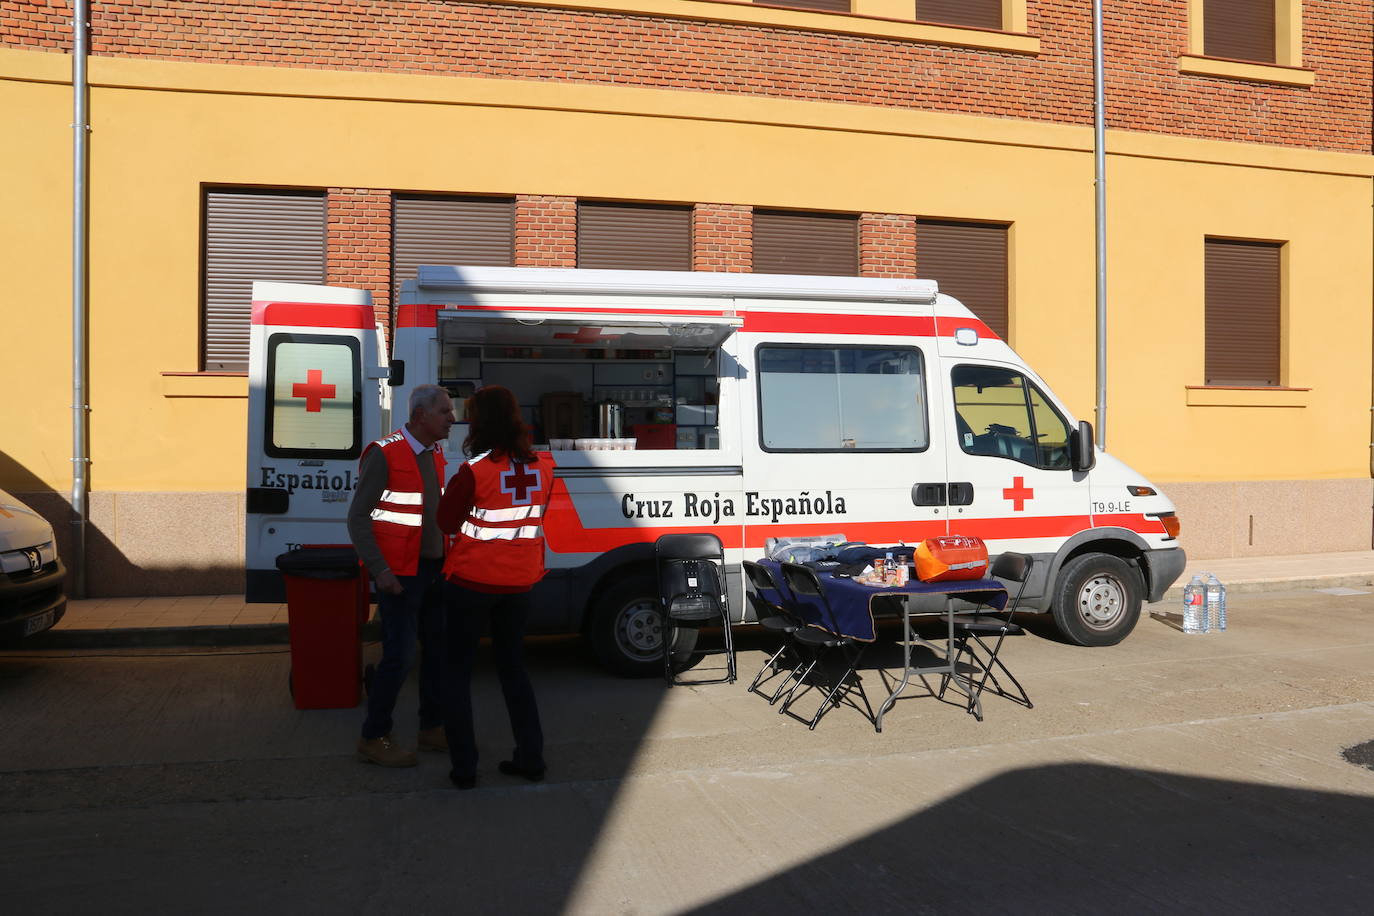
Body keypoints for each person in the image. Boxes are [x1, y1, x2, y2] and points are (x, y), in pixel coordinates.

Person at [437, 386, 553, 790]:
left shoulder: (474, 470)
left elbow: (446, 523)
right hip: (520, 582)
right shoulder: (543, 466)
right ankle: (531, 758)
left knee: (457, 672)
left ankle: (464, 768)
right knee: (513, 668)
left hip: (472, 582)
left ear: (478, 422)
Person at [347, 384, 456, 767]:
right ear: (420, 415)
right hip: (400, 575)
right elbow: (358, 519)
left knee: (437, 652)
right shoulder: (385, 453)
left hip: (433, 570)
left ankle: (432, 727)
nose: (452, 418)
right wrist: (380, 570)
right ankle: (373, 736)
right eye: (445, 412)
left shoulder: (434, 453)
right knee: (400, 656)